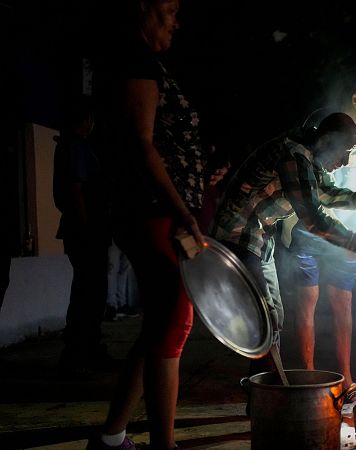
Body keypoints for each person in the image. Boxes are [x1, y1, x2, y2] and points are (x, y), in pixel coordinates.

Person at [87, 1, 208, 449]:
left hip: (156, 207)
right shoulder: (134, 61)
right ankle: (164, 445)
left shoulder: (141, 61)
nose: (178, 20)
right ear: (141, 7)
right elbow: (141, 143)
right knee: (175, 317)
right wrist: (181, 207)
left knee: (160, 323)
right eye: (171, 9)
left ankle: (112, 438)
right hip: (152, 209)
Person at [210, 112, 356, 383]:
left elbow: (324, 193)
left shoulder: (307, 157)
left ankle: (265, 395)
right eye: (344, 152)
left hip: (260, 239)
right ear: (326, 140)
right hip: (239, 235)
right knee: (265, 319)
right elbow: (313, 218)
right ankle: (267, 395)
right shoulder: (293, 154)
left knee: (274, 319)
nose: (345, 161)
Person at [279, 84, 356, 392]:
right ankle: (308, 378)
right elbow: (314, 199)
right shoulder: (325, 126)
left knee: (342, 301)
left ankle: (346, 380)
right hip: (311, 226)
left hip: (344, 230)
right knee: (308, 299)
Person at [52, 98, 113, 376]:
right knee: (89, 291)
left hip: (83, 229)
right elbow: (76, 190)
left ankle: (84, 347)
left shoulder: (71, 146)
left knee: (88, 289)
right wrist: (88, 226)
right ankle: (80, 350)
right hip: (86, 230)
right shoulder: (75, 147)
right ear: (85, 119)